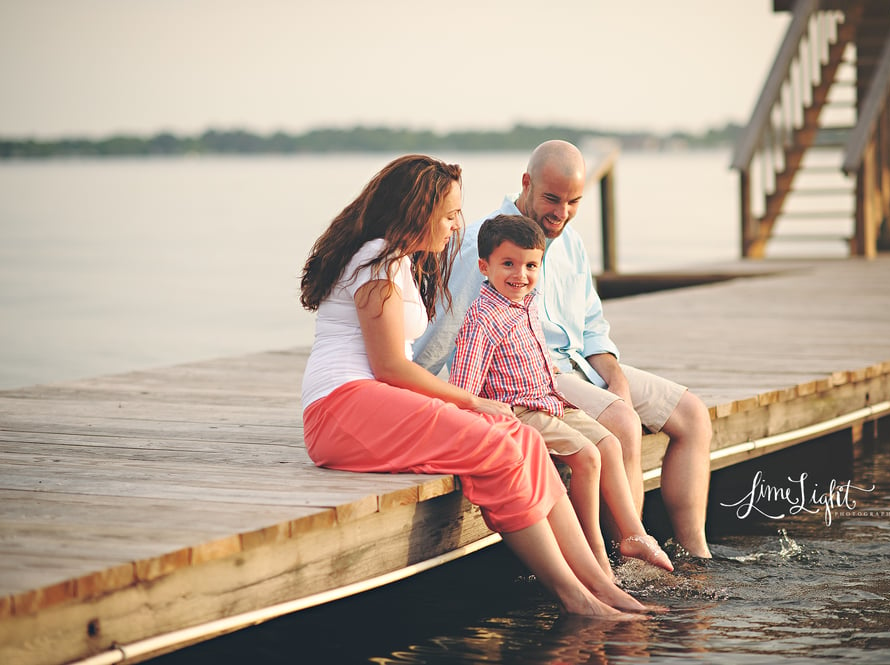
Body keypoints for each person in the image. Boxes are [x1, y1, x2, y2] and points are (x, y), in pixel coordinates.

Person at [299, 154, 654, 617]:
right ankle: (575, 599)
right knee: (502, 447)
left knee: (523, 439)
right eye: (448, 215)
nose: (455, 226)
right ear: (417, 211)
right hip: (342, 410)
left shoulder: (398, 262)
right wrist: (474, 401)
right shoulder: (376, 263)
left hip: (370, 405)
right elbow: (389, 367)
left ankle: (602, 588)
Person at [413, 141, 713, 558]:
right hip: (541, 374)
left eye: (573, 201)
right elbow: (448, 328)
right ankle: (627, 556)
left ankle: (696, 555)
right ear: (526, 183)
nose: (562, 212)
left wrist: (616, 375)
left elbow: (592, 326)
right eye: (552, 198)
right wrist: (405, 384)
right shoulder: (489, 245)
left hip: (586, 367)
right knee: (622, 424)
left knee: (694, 415)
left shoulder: (570, 241)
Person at [448, 214, 674, 575]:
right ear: (483, 266)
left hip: (549, 398)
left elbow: (533, 348)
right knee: (587, 456)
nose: (520, 275)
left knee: (610, 445)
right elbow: (464, 388)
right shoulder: (482, 320)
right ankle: (594, 553)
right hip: (520, 410)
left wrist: (542, 367)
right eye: (508, 264)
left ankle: (633, 534)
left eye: (531, 265)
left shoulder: (528, 301)